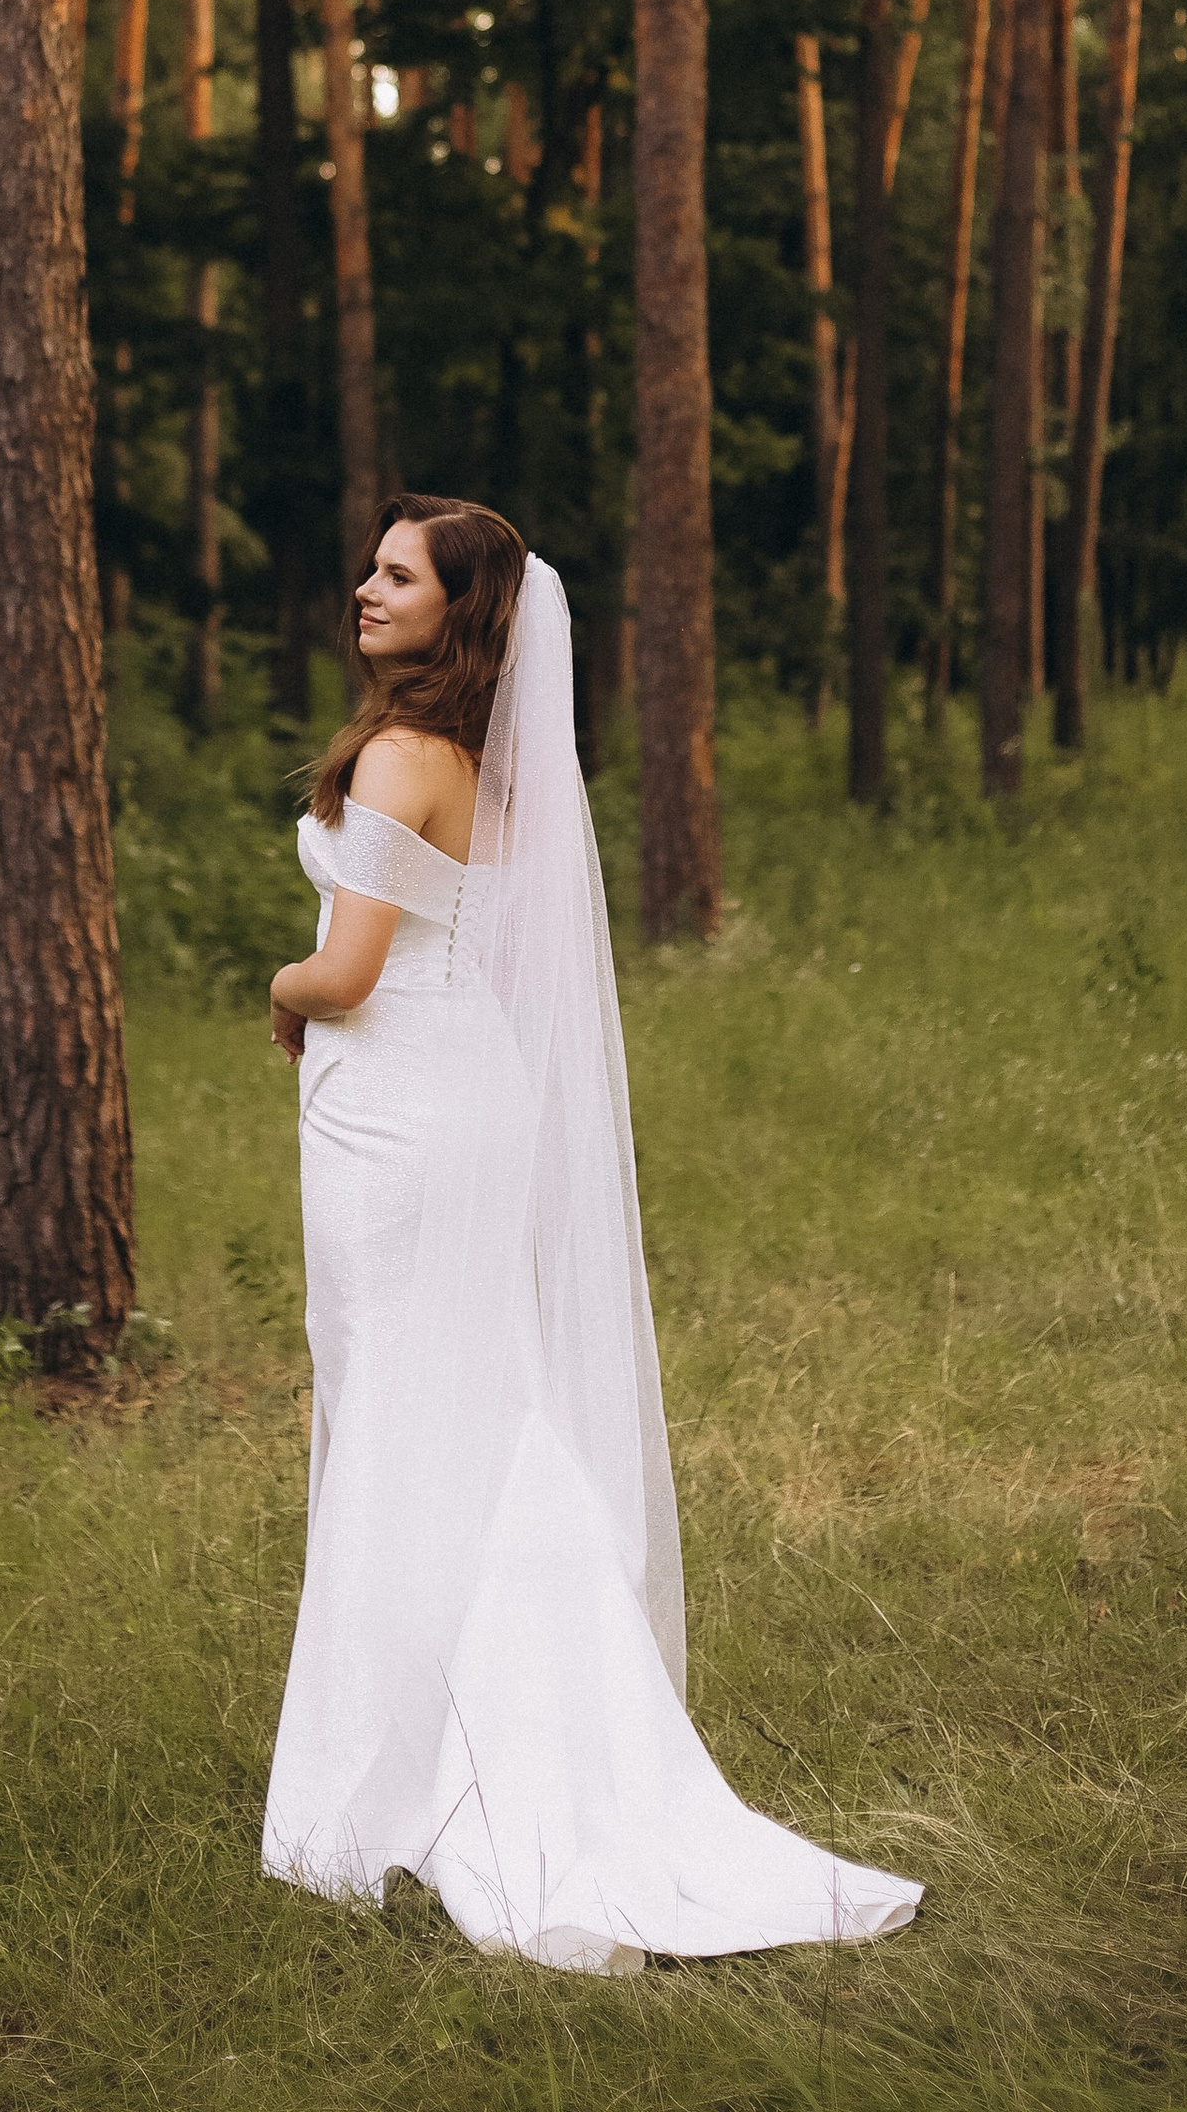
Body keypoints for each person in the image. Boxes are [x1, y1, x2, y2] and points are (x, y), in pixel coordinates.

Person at [261, 490, 922, 1974]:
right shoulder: (491, 765)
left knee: (393, 1419)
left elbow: (352, 971)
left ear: (460, 608)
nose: (363, 588)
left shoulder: (394, 755)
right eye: (366, 566)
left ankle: (421, 1776)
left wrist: (279, 988)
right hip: (465, 1090)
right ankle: (515, 1729)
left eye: (397, 575)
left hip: (399, 1115)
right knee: (473, 1410)